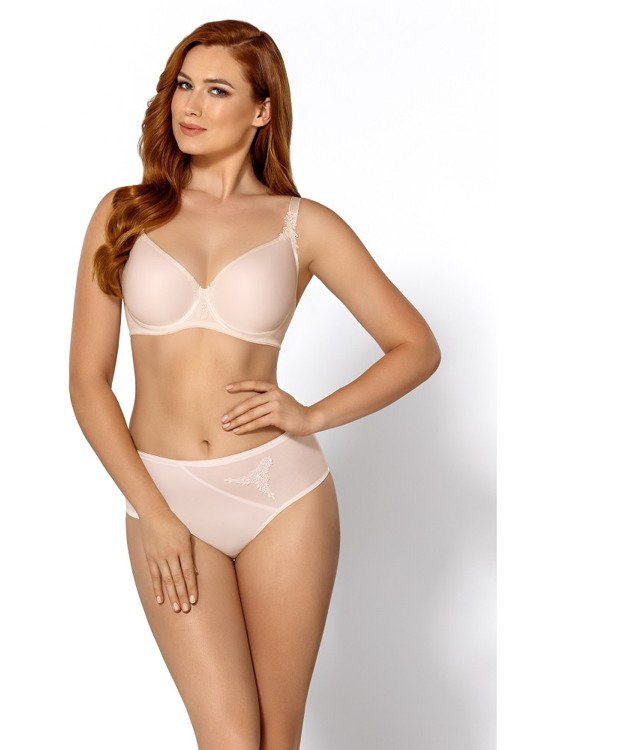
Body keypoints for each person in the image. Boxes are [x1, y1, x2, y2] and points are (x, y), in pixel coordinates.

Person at [69, 19, 440, 750]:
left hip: (282, 495)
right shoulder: (124, 213)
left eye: (217, 90)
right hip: (165, 491)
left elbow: (416, 347)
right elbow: (88, 382)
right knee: (230, 738)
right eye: (183, 84)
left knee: (277, 737)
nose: (190, 105)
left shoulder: (303, 226)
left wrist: (312, 415)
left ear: (262, 109)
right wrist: (154, 513)